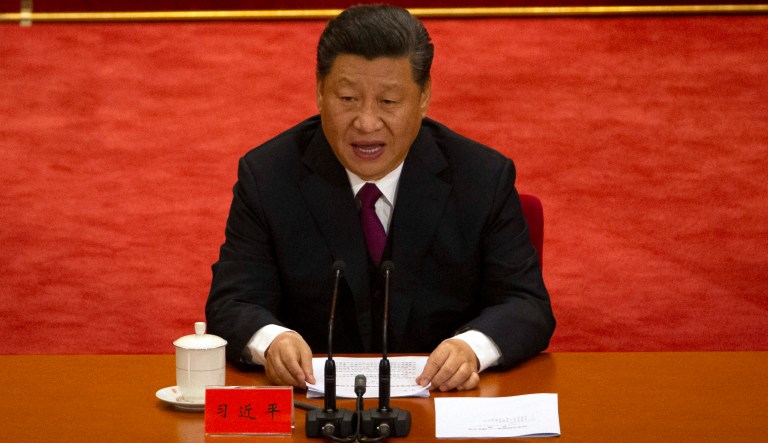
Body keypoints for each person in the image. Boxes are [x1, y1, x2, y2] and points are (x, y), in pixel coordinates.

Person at [206, 4, 555, 393]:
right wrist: (272, 341)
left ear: (424, 97)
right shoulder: (268, 176)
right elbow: (231, 302)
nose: (367, 123)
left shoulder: (482, 177)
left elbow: (526, 305)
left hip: (441, 403)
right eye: (348, 98)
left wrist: (470, 348)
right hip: (314, 409)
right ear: (320, 92)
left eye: (388, 102)